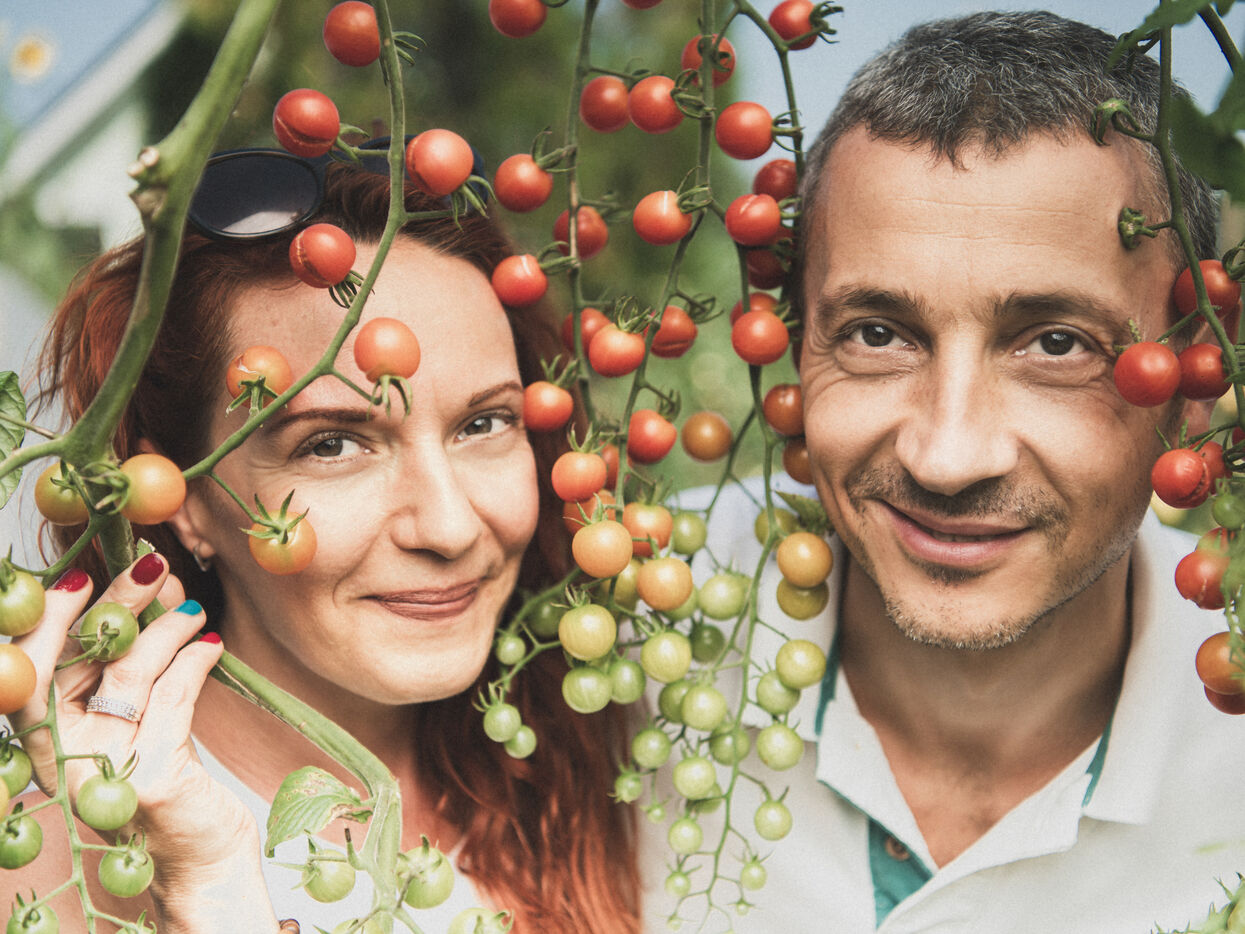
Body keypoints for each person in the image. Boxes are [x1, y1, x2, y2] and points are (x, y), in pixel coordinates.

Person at [649, 11, 1245, 933]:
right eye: (876, 334)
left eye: (1056, 344)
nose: (947, 455)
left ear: (1198, 371)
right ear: (793, 335)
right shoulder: (629, 635)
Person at [5, 158, 641, 932]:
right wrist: (207, 892)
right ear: (177, 497)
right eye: (332, 445)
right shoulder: (40, 885)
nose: (449, 527)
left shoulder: (613, 747)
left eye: (484, 423)